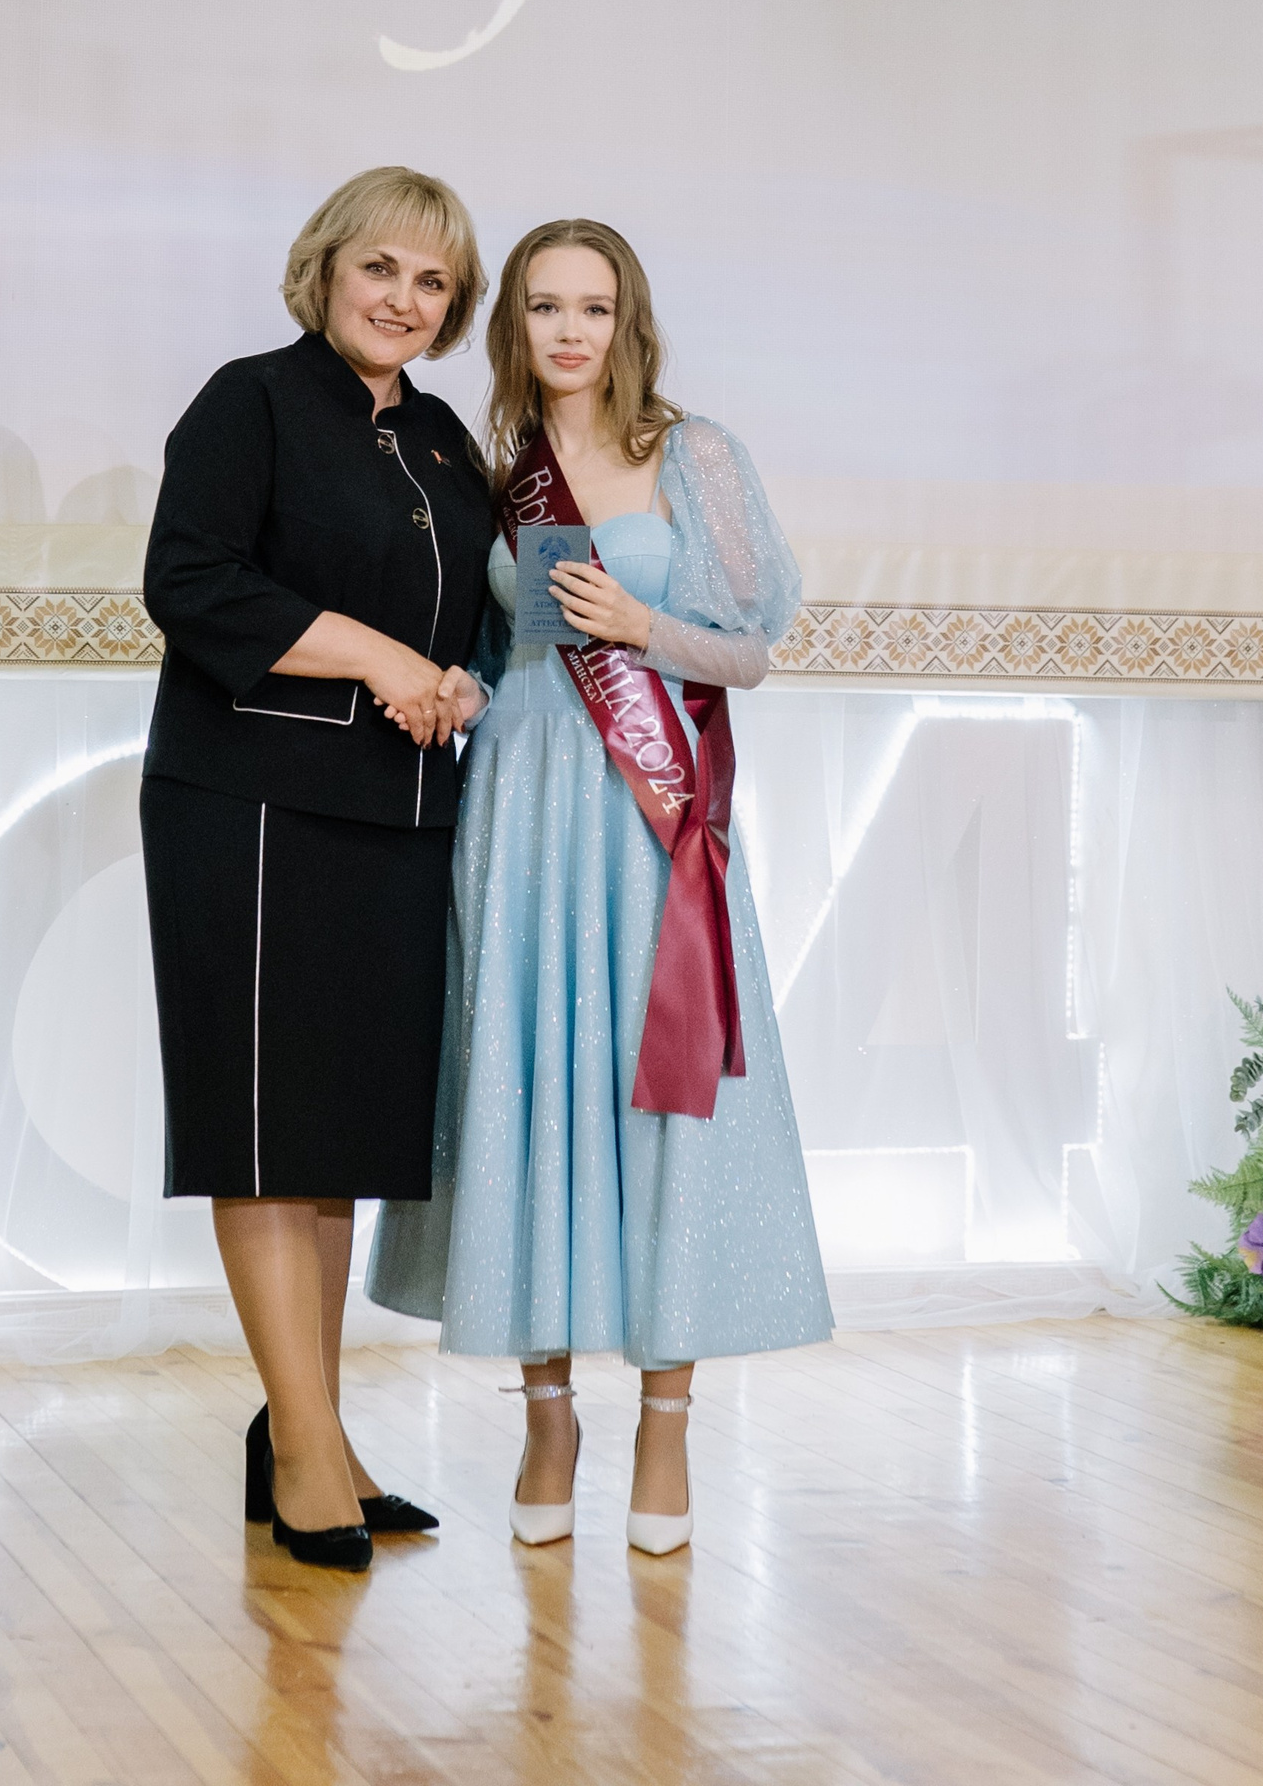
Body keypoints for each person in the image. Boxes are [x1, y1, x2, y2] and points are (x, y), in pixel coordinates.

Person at [368, 219, 830, 1554]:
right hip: (520, 810)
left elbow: (751, 650)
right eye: (545, 307)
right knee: (535, 1091)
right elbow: (486, 648)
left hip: (646, 822)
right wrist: (455, 689)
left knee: (650, 1100)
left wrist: (647, 628)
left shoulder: (695, 454)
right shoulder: (489, 470)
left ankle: (666, 1427)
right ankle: (548, 1416)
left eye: (595, 307)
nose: (571, 331)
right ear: (512, 324)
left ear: (630, 323)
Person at [140, 166, 493, 1569]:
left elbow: (468, 617)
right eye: (381, 269)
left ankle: (313, 1428)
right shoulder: (252, 401)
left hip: (399, 819)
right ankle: (301, 1446)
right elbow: (193, 582)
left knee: (335, 1141)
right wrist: (384, 658)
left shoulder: (446, 438)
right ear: (327, 268)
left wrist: (453, 682)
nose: (403, 300)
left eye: (433, 282)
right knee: (268, 1135)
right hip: (254, 808)